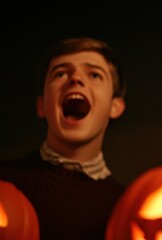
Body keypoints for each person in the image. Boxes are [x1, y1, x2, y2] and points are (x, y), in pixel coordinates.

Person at [0, 37, 127, 240]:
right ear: (41, 105)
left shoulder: (129, 207)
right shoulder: (3, 182)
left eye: (94, 74)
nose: (75, 79)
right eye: (60, 73)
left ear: (115, 106)